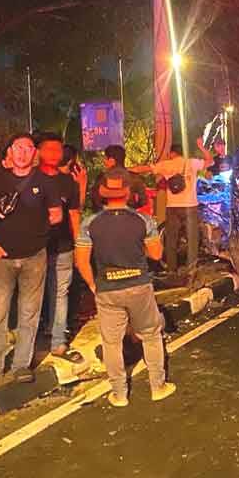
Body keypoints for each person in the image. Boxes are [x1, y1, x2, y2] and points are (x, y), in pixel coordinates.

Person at [74, 168, 176, 407]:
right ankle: (157, 387)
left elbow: (81, 260)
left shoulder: (90, 223)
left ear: (102, 194)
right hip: (138, 285)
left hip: (107, 288)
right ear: (128, 192)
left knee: (112, 343)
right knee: (151, 336)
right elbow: (156, 253)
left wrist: (92, 284)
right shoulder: (143, 220)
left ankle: (119, 394)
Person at [0, 134, 63, 386]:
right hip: (3, 257)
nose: (22, 152)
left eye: (28, 148)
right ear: (10, 151)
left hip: (35, 257)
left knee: (29, 313)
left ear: (35, 153)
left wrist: (39, 233)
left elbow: (56, 215)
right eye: (17, 148)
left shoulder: (46, 182)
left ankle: (22, 365)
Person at [35, 134, 83, 360]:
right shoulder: (29, 178)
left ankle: (57, 341)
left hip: (63, 246)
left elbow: (74, 214)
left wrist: (78, 245)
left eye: (58, 150)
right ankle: (33, 338)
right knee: (33, 293)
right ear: (39, 152)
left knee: (60, 292)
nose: (54, 154)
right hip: (33, 247)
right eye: (49, 149)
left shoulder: (68, 183)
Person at [132, 138, 212, 272]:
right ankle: (192, 269)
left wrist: (127, 169)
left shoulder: (166, 165)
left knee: (171, 240)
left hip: (173, 207)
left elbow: (146, 168)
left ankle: (171, 270)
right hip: (190, 206)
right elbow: (210, 161)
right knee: (192, 239)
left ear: (172, 153)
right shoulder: (191, 163)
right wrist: (201, 147)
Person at [91, 145, 146, 211]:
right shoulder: (136, 178)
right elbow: (142, 202)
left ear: (112, 160)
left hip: (106, 217)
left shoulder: (101, 178)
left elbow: (95, 203)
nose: (104, 162)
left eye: (105, 158)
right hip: (129, 217)